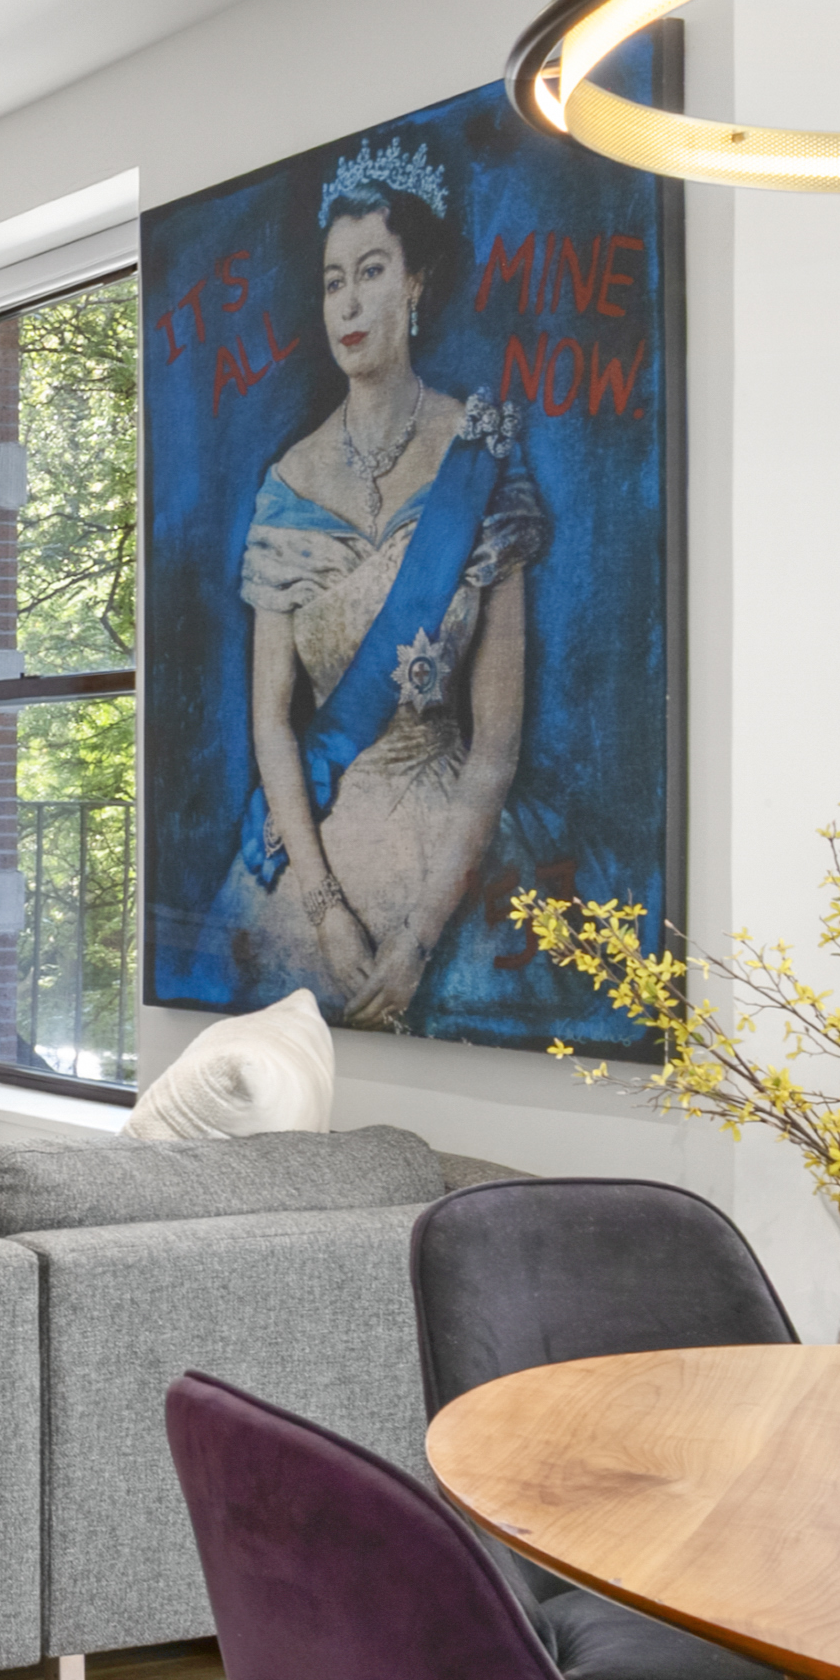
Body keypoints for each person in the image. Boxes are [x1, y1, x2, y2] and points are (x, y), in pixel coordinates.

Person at [216, 124, 541, 1024]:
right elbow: (272, 724)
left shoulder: (479, 459)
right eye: (332, 280)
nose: (348, 303)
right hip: (318, 856)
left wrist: (419, 936)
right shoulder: (287, 487)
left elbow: (499, 744)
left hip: (455, 848)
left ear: (416, 285)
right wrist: (325, 919)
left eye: (370, 271)